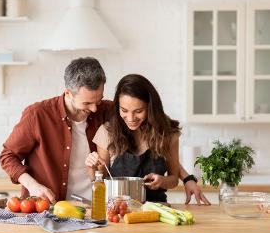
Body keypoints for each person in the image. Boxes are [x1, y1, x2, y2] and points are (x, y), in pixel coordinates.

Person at [0, 57, 210, 205]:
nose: (94, 108)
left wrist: (187, 178)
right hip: (54, 204)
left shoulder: (111, 110)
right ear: (68, 93)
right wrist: (34, 186)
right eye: (87, 103)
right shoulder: (38, 115)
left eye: (98, 99)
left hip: (96, 206)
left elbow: (157, 141)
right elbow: (8, 156)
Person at [85, 74, 210, 204]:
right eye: (124, 110)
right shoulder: (107, 132)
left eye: (138, 111)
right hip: (119, 211)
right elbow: (101, 177)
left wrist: (162, 181)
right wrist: (91, 167)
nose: (131, 118)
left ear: (150, 107)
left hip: (157, 210)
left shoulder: (167, 134)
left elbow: (173, 179)